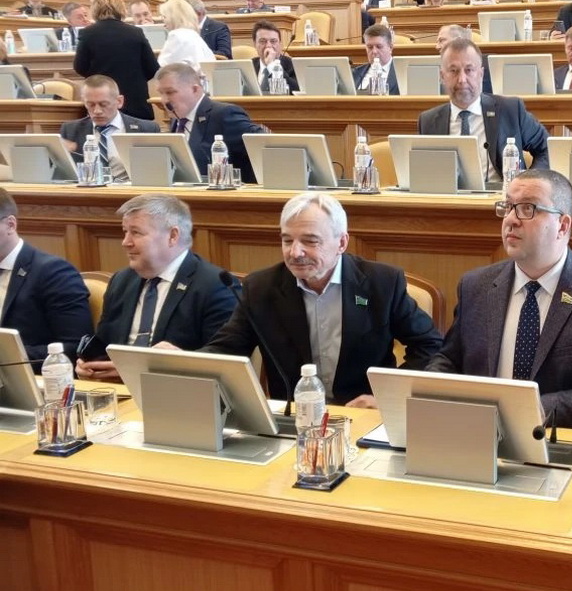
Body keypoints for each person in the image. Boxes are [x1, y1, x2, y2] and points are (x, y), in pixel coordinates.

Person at [427, 169, 572, 431]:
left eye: (527, 209)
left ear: (562, 225)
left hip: (559, 440)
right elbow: (449, 360)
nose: (511, 219)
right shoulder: (476, 286)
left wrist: (537, 408)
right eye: (508, 206)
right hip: (477, 435)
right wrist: (428, 388)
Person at [202, 193, 443, 408]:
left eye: (310, 241)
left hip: (363, 415)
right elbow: (225, 351)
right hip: (295, 418)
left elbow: (430, 347)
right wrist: (185, 363)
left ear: (341, 243)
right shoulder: (261, 288)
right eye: (287, 240)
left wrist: (388, 397)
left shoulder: (382, 283)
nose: (295, 252)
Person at [76, 195, 238, 382]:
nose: (126, 242)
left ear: (172, 236)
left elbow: (225, 361)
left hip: (178, 391)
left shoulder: (214, 286)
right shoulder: (122, 281)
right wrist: (90, 365)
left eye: (136, 233)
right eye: (125, 232)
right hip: (117, 390)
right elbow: (105, 344)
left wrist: (145, 368)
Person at [418, 37, 548, 186]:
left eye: (469, 70)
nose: (462, 79)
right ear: (442, 76)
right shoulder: (428, 121)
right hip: (449, 197)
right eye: (453, 71)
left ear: (481, 74)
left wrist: (528, 183)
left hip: (503, 196)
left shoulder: (510, 110)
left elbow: (547, 148)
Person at [0, 188, 92, 365]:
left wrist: (7, 356)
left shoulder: (55, 273)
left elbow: (75, 348)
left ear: (10, 225)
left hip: (34, 377)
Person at [154, 62, 265, 182]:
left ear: (195, 89)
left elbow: (264, 145)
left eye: (170, 92)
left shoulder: (224, 114)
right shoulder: (177, 119)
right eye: (161, 93)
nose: (164, 100)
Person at [74, 0, 160, 120]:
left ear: (95, 9)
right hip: (134, 101)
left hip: (103, 102)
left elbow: (80, 67)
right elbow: (152, 68)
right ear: (120, 8)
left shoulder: (88, 34)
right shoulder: (135, 32)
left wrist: (97, 77)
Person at [59, 74, 160, 182]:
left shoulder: (146, 129)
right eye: (91, 105)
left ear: (119, 101)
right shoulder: (70, 130)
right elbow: (62, 176)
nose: (97, 111)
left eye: (103, 104)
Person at [157, 0, 216, 67]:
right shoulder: (193, 34)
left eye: (164, 17)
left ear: (172, 18)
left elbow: (163, 66)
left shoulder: (176, 35)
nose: (163, 21)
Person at [251, 20, 299, 94]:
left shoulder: (293, 65)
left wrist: (272, 66)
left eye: (273, 41)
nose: (268, 45)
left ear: (280, 44)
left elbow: (297, 91)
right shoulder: (250, 65)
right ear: (255, 44)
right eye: (263, 41)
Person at [352, 24, 399, 95]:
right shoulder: (355, 73)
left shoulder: (403, 73)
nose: (374, 51)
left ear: (390, 47)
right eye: (370, 47)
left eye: (379, 47)